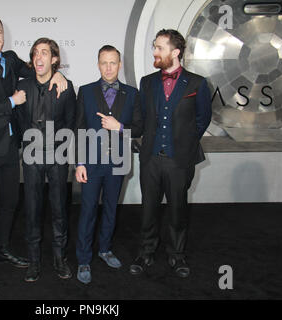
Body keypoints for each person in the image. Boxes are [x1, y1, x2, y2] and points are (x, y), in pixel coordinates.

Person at [0, 14, 68, 290]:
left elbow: (36, 70)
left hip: (9, 147)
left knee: (9, 203)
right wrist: (12, 100)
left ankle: (2, 248)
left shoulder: (9, 58)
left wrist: (59, 73)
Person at [129, 29, 212, 278]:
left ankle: (177, 256)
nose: (154, 51)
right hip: (151, 159)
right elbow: (141, 120)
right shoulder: (147, 82)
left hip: (179, 160)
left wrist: (184, 144)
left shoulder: (197, 83)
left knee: (178, 209)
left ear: (175, 52)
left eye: (159, 48)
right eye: (154, 47)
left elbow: (202, 120)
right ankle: (145, 253)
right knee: (148, 208)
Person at [74, 45, 143, 284]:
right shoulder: (85, 91)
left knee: (111, 208)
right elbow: (79, 128)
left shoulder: (133, 93)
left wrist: (120, 127)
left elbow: (141, 127)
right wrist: (79, 162)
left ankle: (105, 249)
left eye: (113, 62)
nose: (108, 67)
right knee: (88, 209)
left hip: (118, 161)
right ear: (98, 64)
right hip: (91, 163)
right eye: (104, 62)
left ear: (120, 64)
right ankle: (83, 259)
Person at [15, 38, 76, 282]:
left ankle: (59, 258)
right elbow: (18, 119)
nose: (39, 57)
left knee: (60, 208)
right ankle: (34, 260)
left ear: (54, 59)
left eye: (44, 53)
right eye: (35, 53)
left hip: (57, 155)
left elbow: (71, 120)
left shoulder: (66, 86)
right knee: (32, 208)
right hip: (31, 156)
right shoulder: (22, 86)